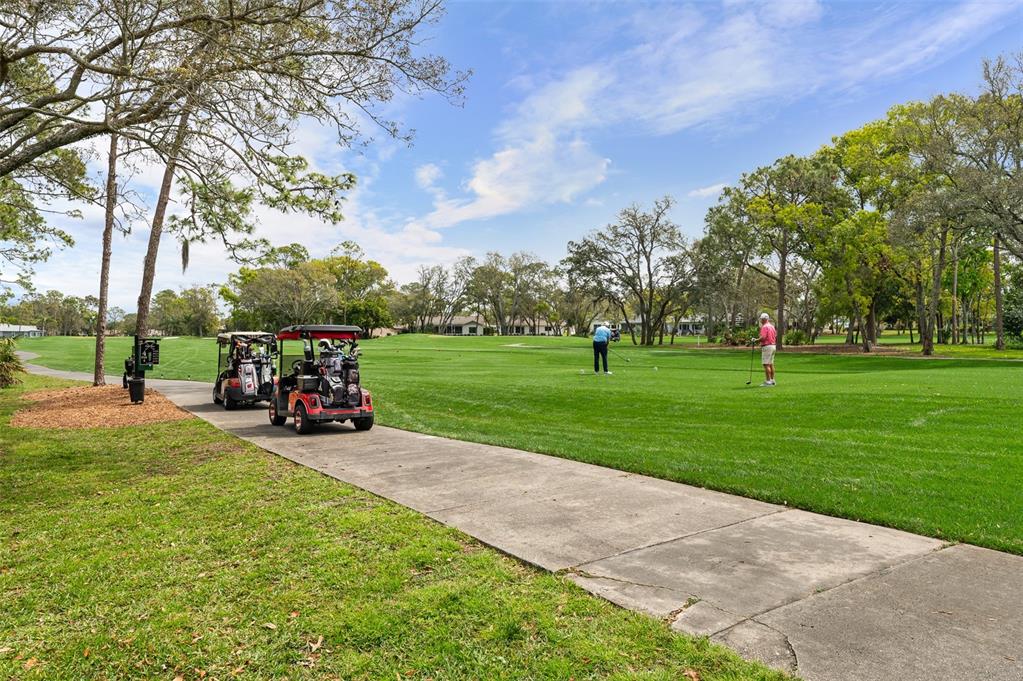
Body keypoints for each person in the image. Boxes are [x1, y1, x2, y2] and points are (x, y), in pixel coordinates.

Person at [758, 312, 777, 386]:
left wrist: (755, 340)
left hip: (767, 346)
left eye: (761, 319)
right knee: (771, 364)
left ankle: (768, 381)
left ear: (763, 319)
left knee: (766, 364)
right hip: (773, 346)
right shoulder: (772, 326)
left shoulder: (764, 327)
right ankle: (772, 380)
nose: (760, 320)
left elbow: (763, 337)